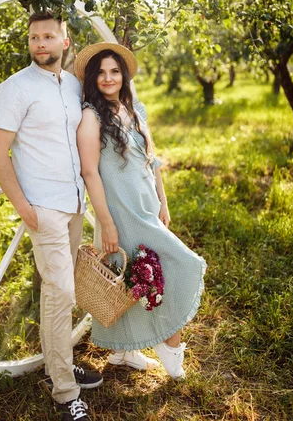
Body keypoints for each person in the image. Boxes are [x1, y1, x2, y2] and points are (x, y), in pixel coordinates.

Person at [0, 11, 102, 421]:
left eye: (48, 36)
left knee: (59, 292)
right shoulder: (14, 89)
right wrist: (25, 209)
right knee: (63, 293)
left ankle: (59, 361)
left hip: (73, 203)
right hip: (44, 209)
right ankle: (65, 391)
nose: (40, 43)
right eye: (34, 37)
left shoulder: (72, 86)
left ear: (64, 43)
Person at [75, 43, 207, 379]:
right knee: (180, 265)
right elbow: (90, 172)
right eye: (101, 72)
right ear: (93, 78)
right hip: (121, 212)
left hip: (147, 207)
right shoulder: (91, 116)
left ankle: (123, 354)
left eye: (114, 71)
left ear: (123, 75)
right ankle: (168, 343)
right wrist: (105, 222)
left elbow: (153, 161)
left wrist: (164, 202)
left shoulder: (133, 110)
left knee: (133, 281)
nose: (108, 78)